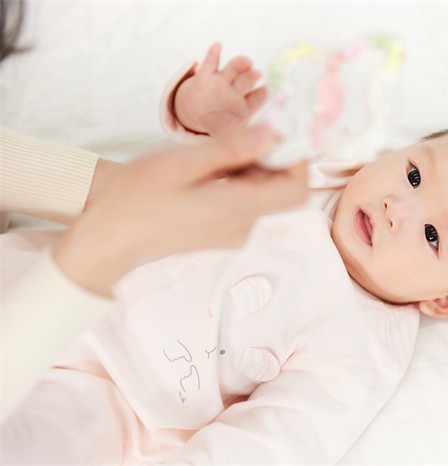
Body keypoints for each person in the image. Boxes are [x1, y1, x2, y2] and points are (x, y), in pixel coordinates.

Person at [1, 43, 448, 464]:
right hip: (44, 271)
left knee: (34, 444)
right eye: (415, 175)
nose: (397, 207)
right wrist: (200, 109)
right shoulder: (314, 168)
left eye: (431, 236)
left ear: (446, 302)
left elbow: (272, 443)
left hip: (113, 398)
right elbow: (215, 149)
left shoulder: (358, 354)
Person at [0, 59, 308, 421]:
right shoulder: (321, 171)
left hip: (113, 396)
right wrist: (199, 115)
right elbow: (235, 151)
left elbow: (274, 433)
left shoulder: (353, 342)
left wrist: (105, 191)